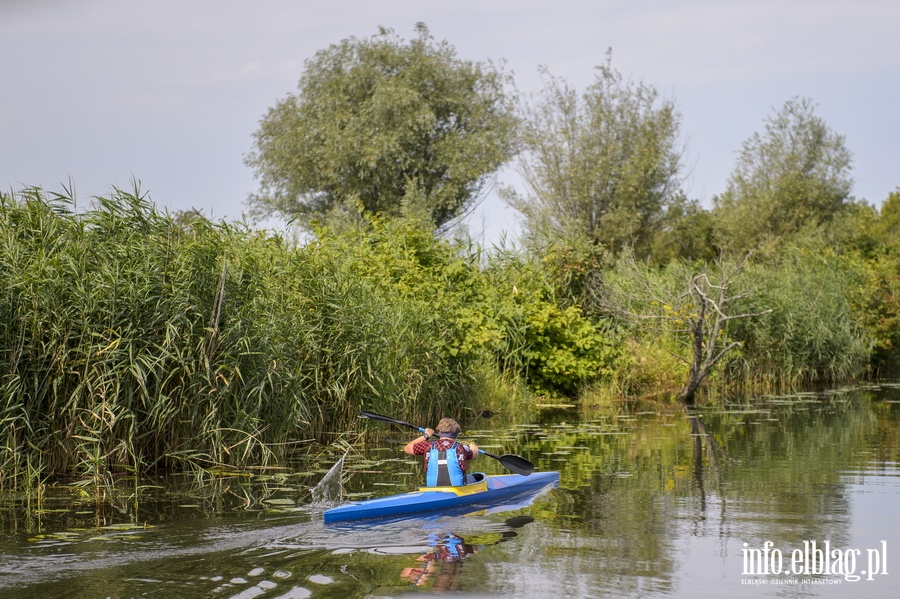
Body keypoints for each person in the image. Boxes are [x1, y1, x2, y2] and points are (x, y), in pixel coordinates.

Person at [404, 417, 478, 487]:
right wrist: (473, 447)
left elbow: (407, 448)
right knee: (474, 478)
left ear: (439, 432)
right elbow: (474, 455)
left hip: (432, 489)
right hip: (457, 489)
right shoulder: (461, 448)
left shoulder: (428, 446)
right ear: (457, 434)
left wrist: (426, 435)